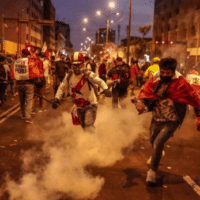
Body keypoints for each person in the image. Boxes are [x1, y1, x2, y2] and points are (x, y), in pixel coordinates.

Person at [132, 58, 200, 186]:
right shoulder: (155, 79)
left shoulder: (181, 83)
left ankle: (152, 173)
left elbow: (195, 99)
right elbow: (145, 93)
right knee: (153, 141)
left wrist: (199, 117)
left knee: (158, 142)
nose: (164, 75)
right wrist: (140, 102)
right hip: (157, 117)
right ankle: (158, 151)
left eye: (168, 73)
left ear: (173, 72)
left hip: (172, 119)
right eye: (163, 72)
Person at [52, 52, 111, 132]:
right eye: (74, 65)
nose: (76, 68)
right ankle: (92, 140)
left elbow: (100, 82)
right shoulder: (69, 76)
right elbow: (62, 88)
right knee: (84, 127)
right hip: (79, 107)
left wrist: (106, 89)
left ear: (83, 64)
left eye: (78, 65)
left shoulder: (88, 74)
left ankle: (92, 143)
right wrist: (56, 98)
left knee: (88, 126)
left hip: (90, 104)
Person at [11, 49, 40, 123]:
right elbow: (36, 73)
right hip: (28, 84)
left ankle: (23, 114)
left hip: (19, 84)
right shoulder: (30, 62)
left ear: (21, 54)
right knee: (28, 101)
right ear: (28, 54)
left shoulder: (16, 61)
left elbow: (13, 73)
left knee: (22, 100)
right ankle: (27, 117)